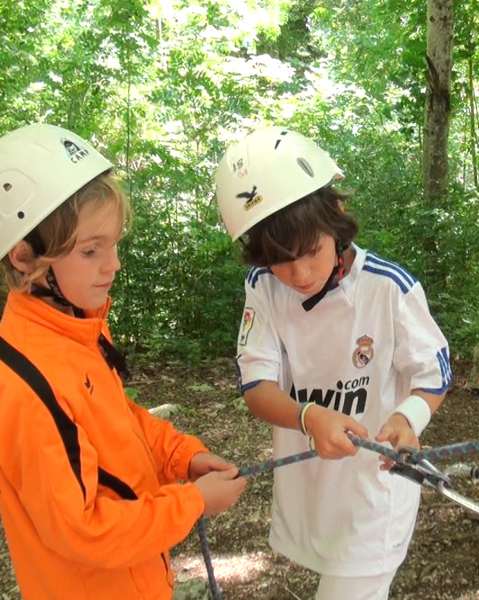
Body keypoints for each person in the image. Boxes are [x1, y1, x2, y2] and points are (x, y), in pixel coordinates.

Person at [0, 123, 247, 599]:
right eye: (91, 250)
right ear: (26, 256)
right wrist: (192, 503)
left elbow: (120, 423)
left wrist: (183, 457)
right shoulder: (25, 384)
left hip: (137, 579)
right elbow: (82, 529)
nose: (112, 264)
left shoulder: (78, 329)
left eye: (113, 244)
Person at [214, 126, 451, 600]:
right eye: (281, 262)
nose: (298, 275)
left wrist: (409, 418)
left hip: (375, 492)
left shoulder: (387, 288)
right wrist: (308, 416)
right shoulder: (264, 288)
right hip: (312, 488)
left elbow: (434, 372)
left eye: (310, 253)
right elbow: (256, 383)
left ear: (336, 222)